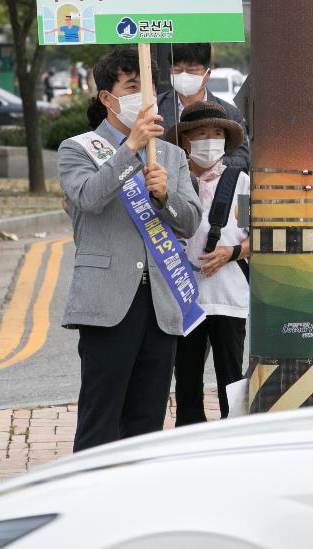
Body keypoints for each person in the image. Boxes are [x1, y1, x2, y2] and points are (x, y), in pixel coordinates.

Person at [58, 48, 202, 452]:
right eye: (132, 87)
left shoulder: (171, 155)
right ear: (107, 97)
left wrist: (164, 196)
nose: (143, 96)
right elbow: (87, 198)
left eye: (148, 87)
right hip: (108, 301)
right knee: (100, 415)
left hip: (160, 303)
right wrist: (129, 151)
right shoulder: (78, 148)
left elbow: (189, 220)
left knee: (148, 417)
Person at [172, 101, 251, 425]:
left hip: (228, 299)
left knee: (231, 378)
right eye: (201, 133)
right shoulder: (171, 182)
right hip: (184, 299)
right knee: (186, 379)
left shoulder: (241, 182)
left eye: (217, 134)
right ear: (185, 140)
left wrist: (230, 253)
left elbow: (256, 236)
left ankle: (234, 437)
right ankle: (188, 436)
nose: (209, 140)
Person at [155, 43, 250, 170]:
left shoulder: (230, 114)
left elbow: (242, 160)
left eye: (191, 71)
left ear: (207, 73)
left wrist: (207, 164)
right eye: (177, 70)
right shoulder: (155, 108)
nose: (184, 76)